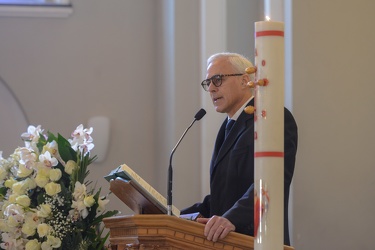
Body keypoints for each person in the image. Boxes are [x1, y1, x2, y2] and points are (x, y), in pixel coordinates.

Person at [180, 52, 298, 245]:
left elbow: (272, 182)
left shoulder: (271, 118)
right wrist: (173, 216)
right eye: (208, 82)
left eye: (217, 80)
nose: (210, 88)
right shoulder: (227, 127)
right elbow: (225, 194)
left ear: (244, 81)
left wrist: (232, 218)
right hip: (226, 242)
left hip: (257, 240)